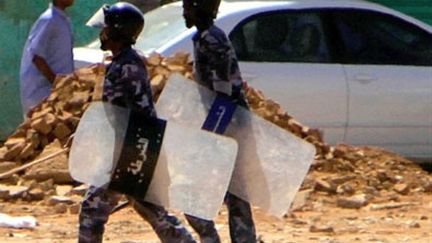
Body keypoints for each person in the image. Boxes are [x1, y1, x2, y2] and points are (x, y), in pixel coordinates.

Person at [78, 3, 196, 243]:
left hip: (130, 152)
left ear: (117, 32)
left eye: (106, 29)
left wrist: (141, 154)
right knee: (154, 212)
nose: (102, 34)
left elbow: (141, 113)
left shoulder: (129, 67)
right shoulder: (123, 62)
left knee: (93, 209)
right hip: (131, 151)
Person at [182, 0, 257, 242]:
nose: (184, 12)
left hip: (227, 122)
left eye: (188, 6)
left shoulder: (211, 39)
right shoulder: (205, 36)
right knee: (235, 190)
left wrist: (212, 135)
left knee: (194, 186)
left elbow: (223, 93)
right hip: (227, 121)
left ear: (199, 7)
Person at [19, 0, 75, 116]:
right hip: (42, 93)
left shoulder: (62, 20)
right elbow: (36, 56)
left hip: (55, 91)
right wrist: (57, 83)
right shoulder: (49, 19)